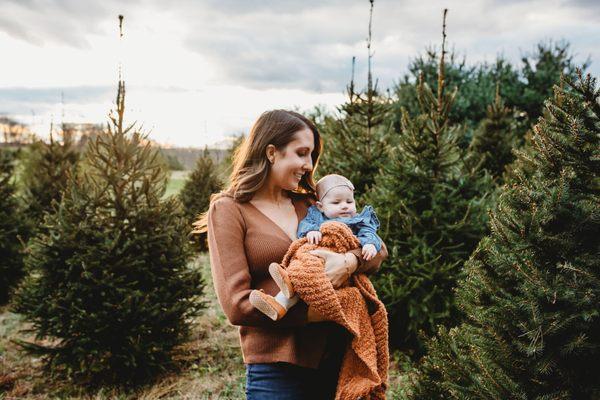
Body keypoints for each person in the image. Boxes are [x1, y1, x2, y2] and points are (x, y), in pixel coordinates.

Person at [193, 109, 388, 399]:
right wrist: (321, 312)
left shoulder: (310, 204)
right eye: (301, 153)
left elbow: (378, 249)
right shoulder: (229, 209)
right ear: (272, 152)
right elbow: (237, 305)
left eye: (311, 156)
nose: (309, 166)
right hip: (276, 367)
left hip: (336, 354)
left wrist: (348, 262)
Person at [248, 173, 383, 321]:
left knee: (306, 275)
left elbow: (369, 233)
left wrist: (370, 244)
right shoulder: (317, 217)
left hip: (336, 263)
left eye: (349, 201)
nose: (344, 206)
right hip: (318, 259)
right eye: (336, 203)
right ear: (321, 206)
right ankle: (280, 301)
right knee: (304, 267)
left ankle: (284, 293)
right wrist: (311, 231)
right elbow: (305, 225)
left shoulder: (358, 220)